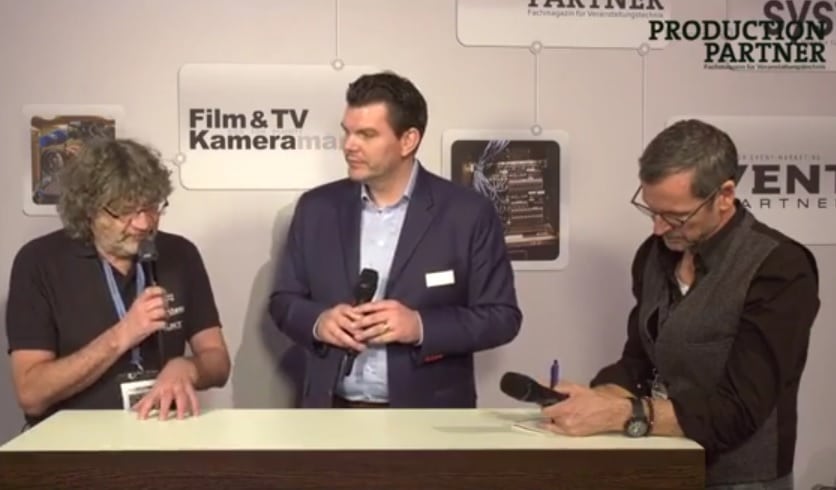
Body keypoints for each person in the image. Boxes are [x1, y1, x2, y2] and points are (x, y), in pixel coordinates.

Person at [541, 119, 819, 489]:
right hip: (664, 466)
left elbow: (739, 411)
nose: (658, 228)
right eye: (651, 211)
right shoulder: (654, 254)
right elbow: (640, 361)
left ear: (724, 195)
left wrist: (621, 413)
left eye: (675, 217)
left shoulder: (780, 268)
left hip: (743, 478)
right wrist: (596, 397)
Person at [269, 71, 522, 408]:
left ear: (408, 140)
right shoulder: (316, 208)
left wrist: (419, 325)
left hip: (429, 417)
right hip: (330, 412)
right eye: (347, 131)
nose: (349, 145)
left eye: (367, 134)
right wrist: (319, 322)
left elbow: (502, 317)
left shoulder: (467, 214)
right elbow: (284, 301)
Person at [5, 138, 231, 426]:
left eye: (151, 207)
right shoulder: (39, 262)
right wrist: (123, 335)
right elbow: (31, 394)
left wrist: (187, 368)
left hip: (160, 435)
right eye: (125, 210)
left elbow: (217, 361)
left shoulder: (180, 254)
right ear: (89, 209)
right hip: (71, 442)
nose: (144, 223)